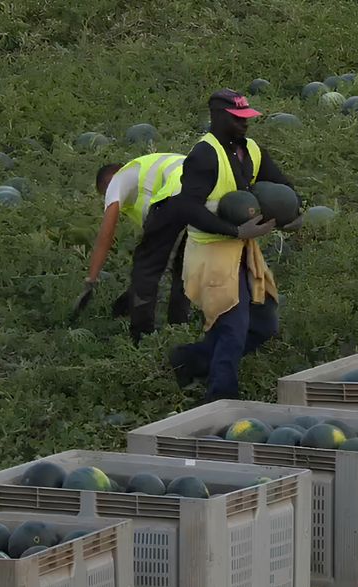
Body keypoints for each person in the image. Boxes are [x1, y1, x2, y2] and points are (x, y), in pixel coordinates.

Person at [163, 88, 302, 402]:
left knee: (264, 324)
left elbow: (283, 185)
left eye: (247, 118)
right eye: (238, 119)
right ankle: (220, 396)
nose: (245, 125)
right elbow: (188, 207)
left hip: (244, 250)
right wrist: (234, 230)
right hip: (211, 251)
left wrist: (295, 212)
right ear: (218, 117)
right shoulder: (204, 155)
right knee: (232, 325)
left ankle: (191, 359)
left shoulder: (252, 149)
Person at [72, 153, 189, 323]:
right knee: (184, 268)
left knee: (148, 270)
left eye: (105, 194)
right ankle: (178, 325)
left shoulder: (118, 179)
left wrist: (91, 280)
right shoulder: (147, 186)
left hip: (178, 193)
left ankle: (141, 336)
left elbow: (106, 235)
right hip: (209, 191)